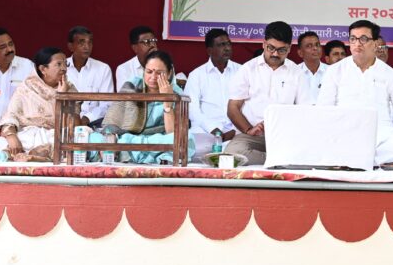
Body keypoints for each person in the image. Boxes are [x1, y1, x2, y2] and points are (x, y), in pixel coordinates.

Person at [317, 20, 393, 168]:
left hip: (380, 134)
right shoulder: (335, 71)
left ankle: (355, 162)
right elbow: (323, 110)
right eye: (353, 39)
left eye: (363, 39)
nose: (357, 44)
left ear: (375, 44)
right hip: (345, 132)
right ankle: (383, 162)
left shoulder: (390, 74)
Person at [224, 22, 300, 166]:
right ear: (264, 44)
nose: (275, 54)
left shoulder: (297, 73)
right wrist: (249, 129)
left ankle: (278, 159)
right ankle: (280, 160)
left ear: (289, 48)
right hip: (253, 137)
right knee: (232, 154)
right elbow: (233, 107)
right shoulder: (248, 69)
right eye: (271, 48)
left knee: (308, 150)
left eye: (282, 50)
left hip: (284, 136)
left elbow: (304, 109)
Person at [100, 50, 194, 164]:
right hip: (129, 137)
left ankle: (131, 155)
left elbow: (173, 134)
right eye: (149, 72)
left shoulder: (177, 94)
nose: (153, 77)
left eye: (159, 73)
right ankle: (156, 157)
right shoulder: (133, 86)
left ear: (169, 73)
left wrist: (167, 101)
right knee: (93, 138)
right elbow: (114, 118)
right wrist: (110, 137)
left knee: (185, 140)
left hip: (159, 139)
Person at [0, 47, 80, 162]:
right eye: (59, 64)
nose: (64, 68)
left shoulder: (70, 89)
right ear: (43, 69)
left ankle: (33, 156)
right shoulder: (27, 87)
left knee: (83, 135)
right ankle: (31, 154)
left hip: (56, 136)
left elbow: (75, 125)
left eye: (66, 64)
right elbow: (11, 115)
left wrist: (62, 96)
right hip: (28, 136)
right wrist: (11, 137)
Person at [184, 28, 242, 161]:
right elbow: (192, 110)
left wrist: (235, 130)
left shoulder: (241, 71)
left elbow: (248, 106)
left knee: (240, 149)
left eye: (228, 44)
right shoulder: (196, 75)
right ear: (209, 51)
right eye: (221, 45)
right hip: (205, 132)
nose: (227, 48)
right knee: (191, 149)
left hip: (235, 133)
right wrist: (214, 130)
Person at [64, 25, 113, 126]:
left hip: (94, 123)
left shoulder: (103, 68)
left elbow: (107, 104)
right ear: (70, 46)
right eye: (81, 42)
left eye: (89, 42)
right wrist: (74, 120)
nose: (87, 46)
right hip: (66, 122)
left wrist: (87, 118)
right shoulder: (62, 68)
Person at [296, 31, 327, 105]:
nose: (315, 48)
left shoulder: (331, 71)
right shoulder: (294, 72)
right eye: (309, 46)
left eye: (317, 45)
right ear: (300, 53)